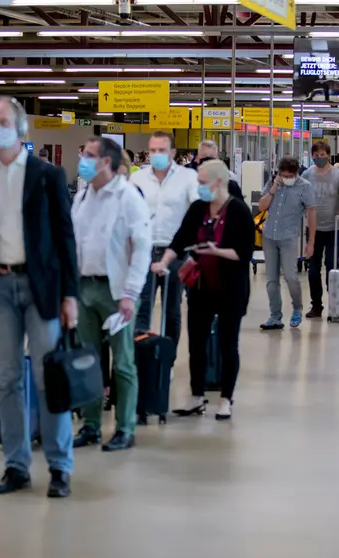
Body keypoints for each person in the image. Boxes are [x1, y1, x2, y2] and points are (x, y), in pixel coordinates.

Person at [0, 96, 78, 499]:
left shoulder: (48, 176)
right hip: (0, 288)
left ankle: (60, 465)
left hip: (41, 286)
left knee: (49, 377)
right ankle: (16, 464)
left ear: (20, 126)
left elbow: (65, 238)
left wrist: (70, 295)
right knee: (8, 379)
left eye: (3, 120)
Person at [151, 160, 254, 419]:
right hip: (200, 286)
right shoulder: (198, 209)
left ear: (218, 182)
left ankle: (226, 399)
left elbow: (245, 252)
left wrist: (215, 250)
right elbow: (180, 239)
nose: (199, 188)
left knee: (228, 344)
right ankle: (197, 396)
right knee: (196, 342)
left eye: (202, 183)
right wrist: (163, 262)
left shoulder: (238, 210)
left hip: (231, 287)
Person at [70, 137, 151, 452]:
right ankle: (91, 425)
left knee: (123, 363)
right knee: (88, 360)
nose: (83, 159)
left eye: (89, 155)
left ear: (106, 162)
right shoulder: (83, 196)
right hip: (84, 286)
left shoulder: (128, 197)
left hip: (117, 291)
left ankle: (124, 428)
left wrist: (131, 294)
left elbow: (142, 247)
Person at [131, 131, 199, 345]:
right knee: (141, 306)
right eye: (153, 150)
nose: (156, 155)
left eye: (161, 150)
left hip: (176, 251)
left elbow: (196, 213)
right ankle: (142, 357)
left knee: (172, 310)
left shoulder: (187, 178)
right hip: (144, 252)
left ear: (172, 152)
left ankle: (166, 359)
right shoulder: (137, 178)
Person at [257, 155, 316, 329]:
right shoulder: (272, 183)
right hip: (269, 236)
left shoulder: (305, 187)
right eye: (284, 176)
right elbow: (261, 206)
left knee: (290, 276)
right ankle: (275, 316)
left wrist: (311, 241)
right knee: (271, 280)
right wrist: (274, 187)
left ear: (296, 173)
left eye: (290, 176)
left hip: (289, 237)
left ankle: (297, 308)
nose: (287, 179)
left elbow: (311, 214)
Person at [301, 141, 339, 317]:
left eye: (322, 154)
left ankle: (335, 303)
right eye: (316, 155)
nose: (319, 158)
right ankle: (316, 305)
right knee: (313, 269)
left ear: (328, 155)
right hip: (313, 229)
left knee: (332, 265)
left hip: (334, 228)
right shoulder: (307, 175)